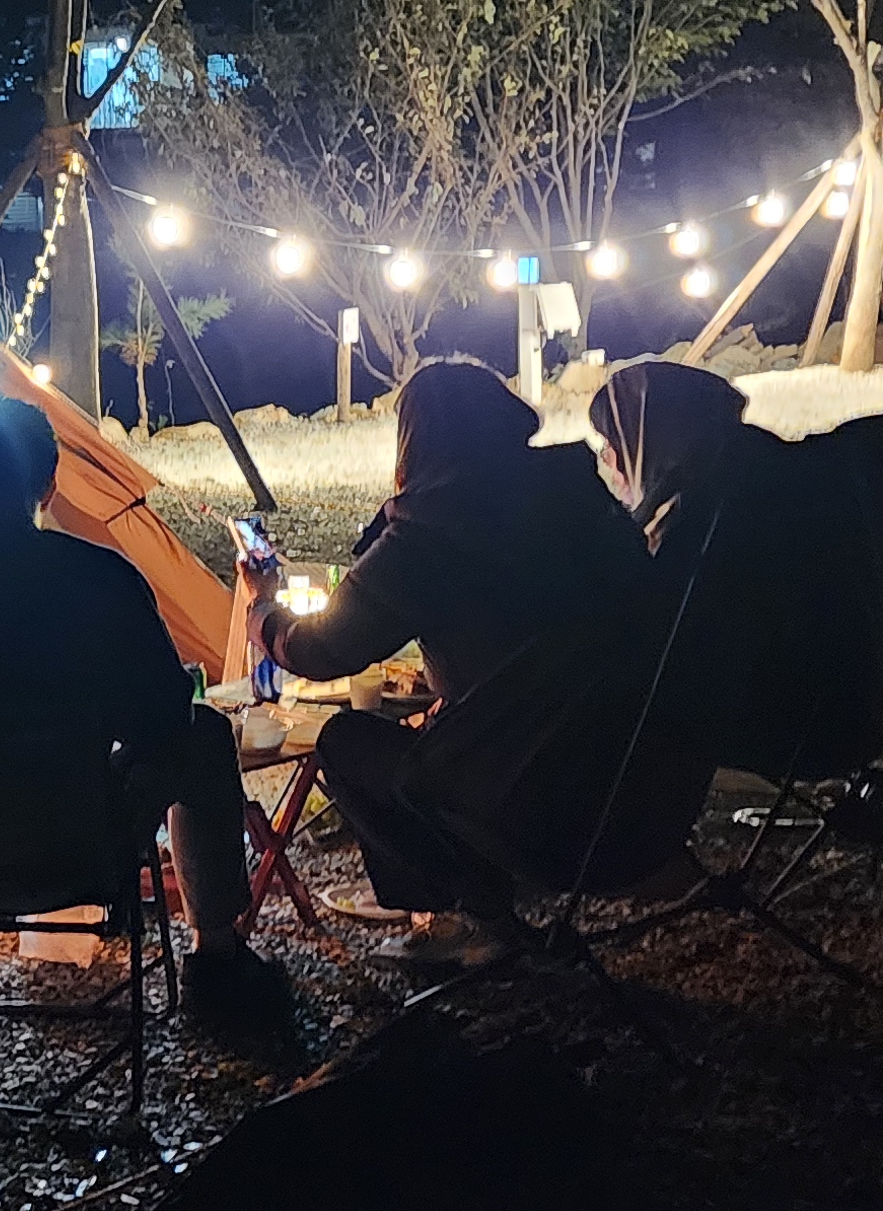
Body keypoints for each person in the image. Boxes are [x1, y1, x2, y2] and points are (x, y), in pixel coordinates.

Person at [0, 396, 281, 1011]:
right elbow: (166, 713)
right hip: (73, 844)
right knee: (204, 737)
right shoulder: (102, 578)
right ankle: (216, 955)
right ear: (50, 486)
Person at [247, 357, 652, 971]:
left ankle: (477, 914)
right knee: (443, 726)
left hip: (525, 792)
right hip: (637, 775)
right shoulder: (580, 499)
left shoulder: (427, 535)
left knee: (347, 741)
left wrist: (263, 614)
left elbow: (321, 651)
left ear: (415, 441)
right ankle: (485, 905)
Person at [588, 357, 883, 783]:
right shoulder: (780, 471)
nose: (608, 462)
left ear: (651, 435)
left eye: (608, 446)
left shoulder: (708, 513)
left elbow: (667, 647)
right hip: (866, 701)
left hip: (775, 726)